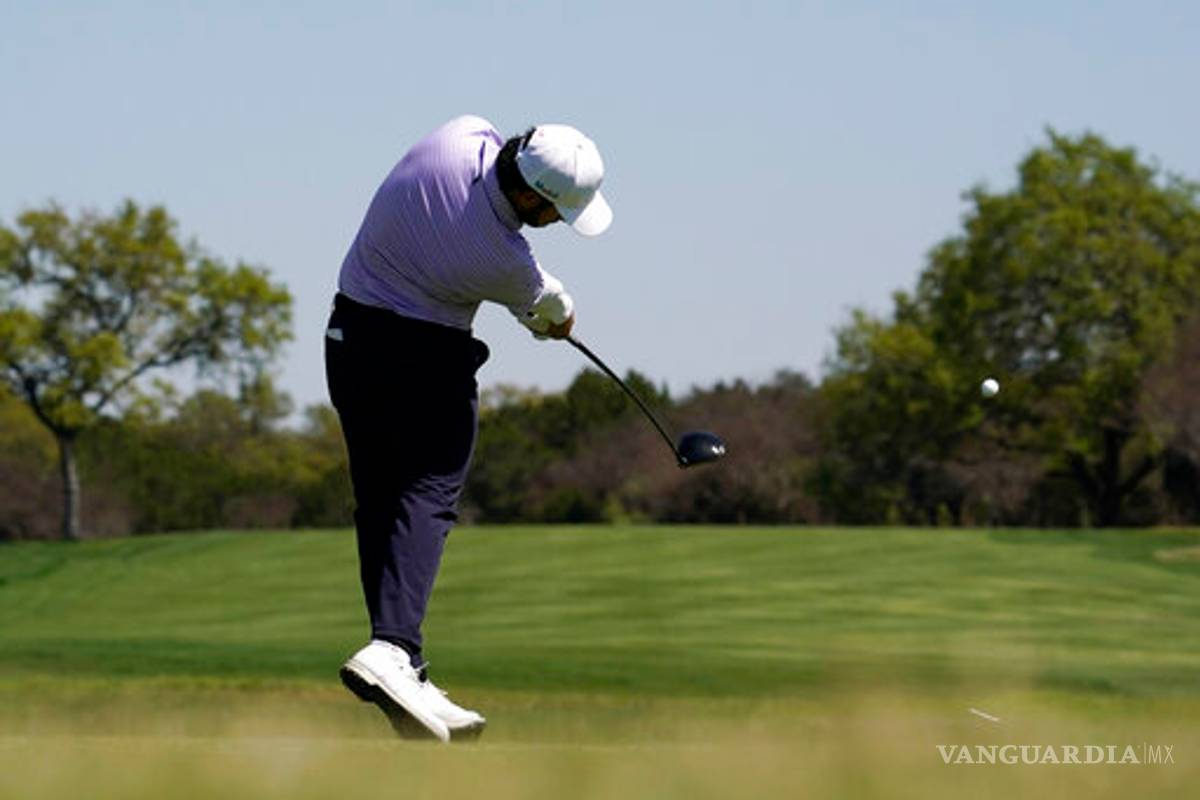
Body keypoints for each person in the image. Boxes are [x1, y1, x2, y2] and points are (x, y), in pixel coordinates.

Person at [324, 115, 612, 742]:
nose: (554, 224)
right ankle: (393, 649)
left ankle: (404, 662)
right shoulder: (504, 260)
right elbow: (550, 311)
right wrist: (556, 317)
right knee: (430, 491)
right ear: (532, 200)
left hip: (347, 340)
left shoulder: (460, 134)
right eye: (555, 214)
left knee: (380, 502)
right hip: (421, 359)